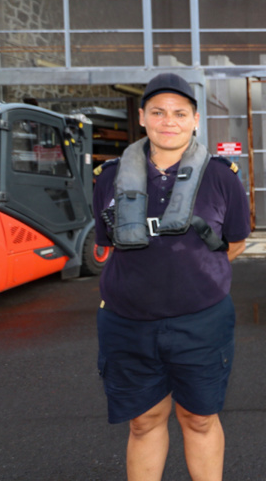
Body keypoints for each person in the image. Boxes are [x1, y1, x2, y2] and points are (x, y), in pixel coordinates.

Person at [93, 73, 251, 481]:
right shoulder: (109, 177)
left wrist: (195, 277)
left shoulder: (222, 177)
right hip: (127, 322)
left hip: (201, 322)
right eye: (159, 112)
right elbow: (108, 243)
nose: (169, 121)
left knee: (198, 419)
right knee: (144, 421)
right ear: (142, 117)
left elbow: (234, 242)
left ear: (195, 119)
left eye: (180, 113)